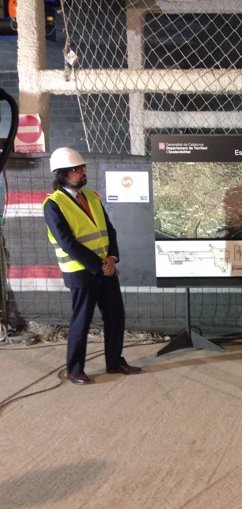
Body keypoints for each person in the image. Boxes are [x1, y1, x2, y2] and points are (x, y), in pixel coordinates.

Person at [43, 147, 142, 385]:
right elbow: (67, 243)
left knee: (115, 315)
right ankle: (75, 369)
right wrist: (99, 266)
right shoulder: (53, 205)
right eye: (77, 169)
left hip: (105, 267)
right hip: (81, 273)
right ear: (62, 174)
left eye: (83, 168)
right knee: (82, 320)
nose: (82, 172)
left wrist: (112, 258)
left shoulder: (92, 197)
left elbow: (109, 230)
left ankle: (115, 361)